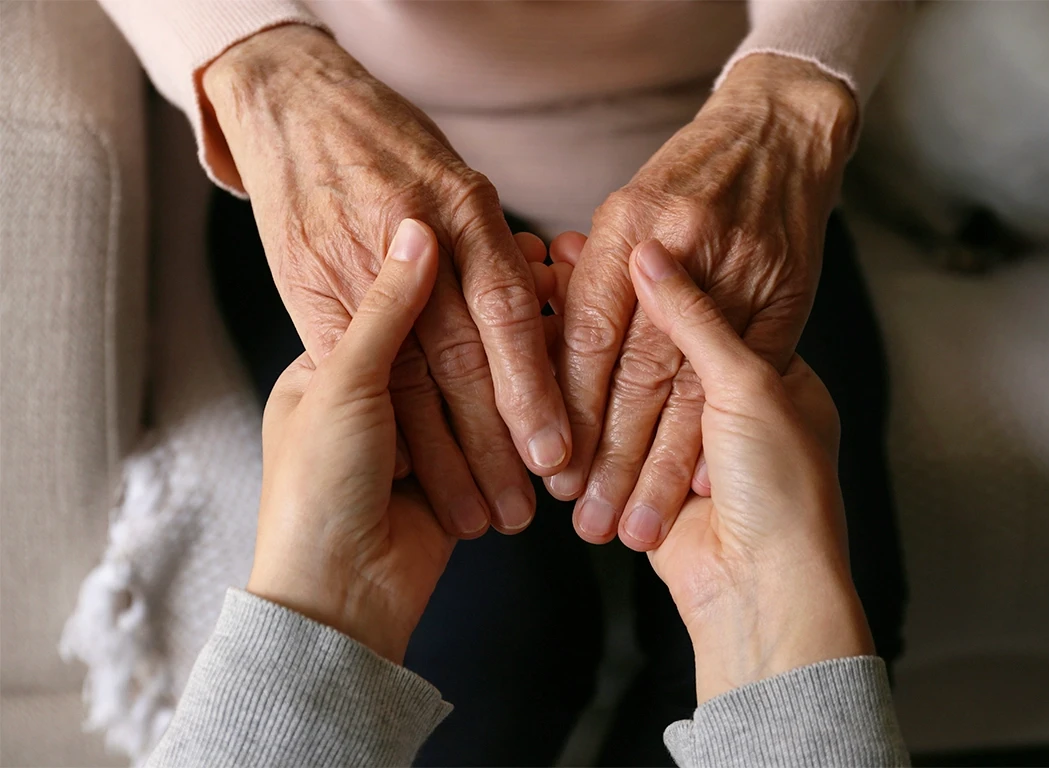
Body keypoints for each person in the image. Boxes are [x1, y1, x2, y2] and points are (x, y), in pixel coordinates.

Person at [98, 2, 909, 762]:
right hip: (346, 159)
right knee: (491, 645)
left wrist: (794, 99)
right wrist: (266, 69)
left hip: (733, 163)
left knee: (842, 597)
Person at [146, 219, 908, 767]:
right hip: (375, 203)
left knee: (858, 591)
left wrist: (761, 596)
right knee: (501, 640)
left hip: (713, 215)